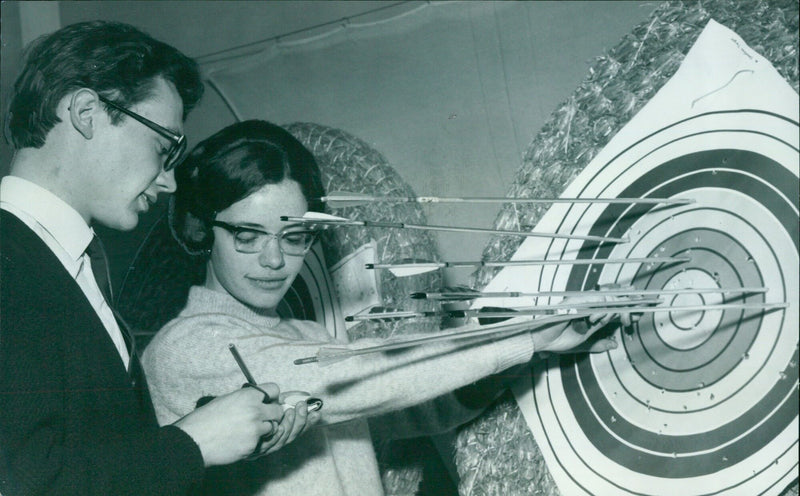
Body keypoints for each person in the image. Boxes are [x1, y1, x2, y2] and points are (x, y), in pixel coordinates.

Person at [142, 119, 620, 495]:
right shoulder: (183, 347)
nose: (274, 260)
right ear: (200, 229)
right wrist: (519, 337)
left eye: (294, 237)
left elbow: (413, 411)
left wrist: (528, 350)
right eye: (247, 236)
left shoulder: (306, 336)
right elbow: (350, 375)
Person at [0, 22, 316, 496]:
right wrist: (191, 443)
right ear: (87, 111)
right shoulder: (11, 262)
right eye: (163, 147)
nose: (168, 182)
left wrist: (211, 430)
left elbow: (74, 451)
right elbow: (24, 483)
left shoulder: (59, 259)